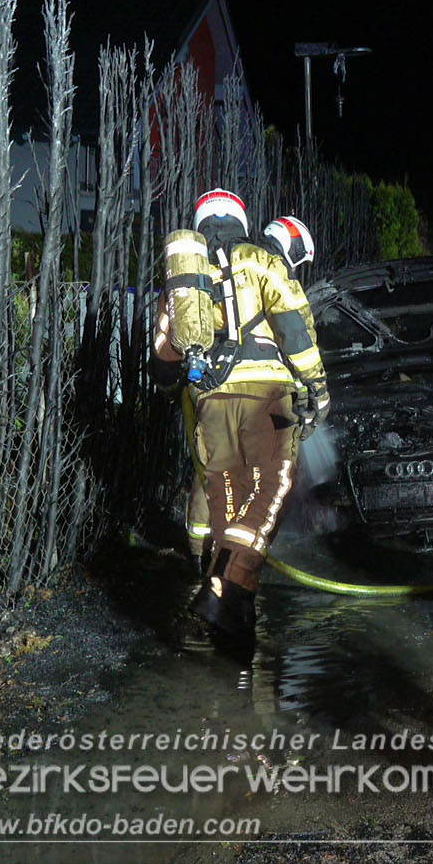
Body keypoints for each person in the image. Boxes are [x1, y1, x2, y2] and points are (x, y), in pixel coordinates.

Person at [152, 190, 328, 642]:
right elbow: (294, 329)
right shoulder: (259, 259)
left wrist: (187, 386)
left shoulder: (183, 281)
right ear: (241, 219)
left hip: (211, 400)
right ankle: (218, 592)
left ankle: (234, 613)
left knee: (227, 499)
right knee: (267, 497)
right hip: (266, 398)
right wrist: (318, 389)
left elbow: (163, 361)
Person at [177, 215, 320, 578]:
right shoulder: (268, 269)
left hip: (210, 391)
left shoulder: (208, 268)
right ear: (293, 249)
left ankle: (199, 559)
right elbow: (296, 340)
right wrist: (316, 389)